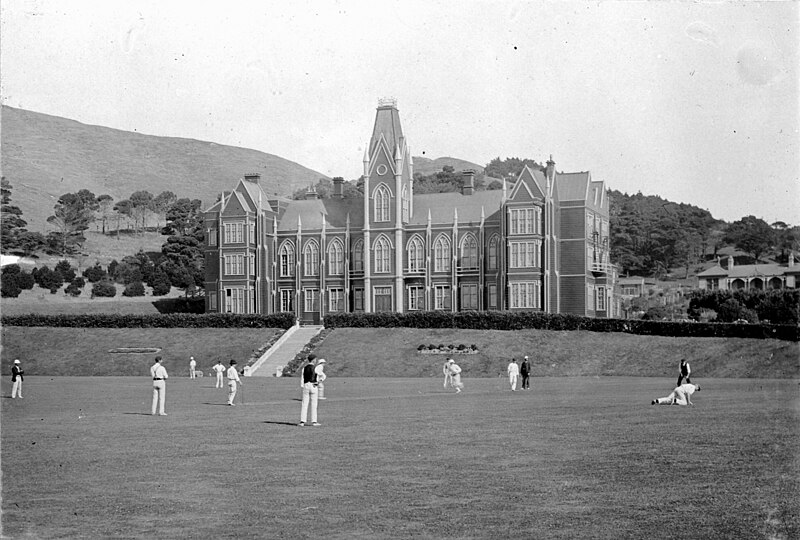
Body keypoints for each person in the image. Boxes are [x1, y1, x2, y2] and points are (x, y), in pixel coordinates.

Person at [299, 355, 321, 426]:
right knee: (314, 404)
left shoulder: (304, 368)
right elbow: (322, 376)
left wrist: (303, 386)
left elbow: (302, 378)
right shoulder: (316, 368)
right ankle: (314, 421)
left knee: (304, 404)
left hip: (306, 385)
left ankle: (302, 421)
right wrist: (318, 381)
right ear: (313, 360)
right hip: (313, 385)